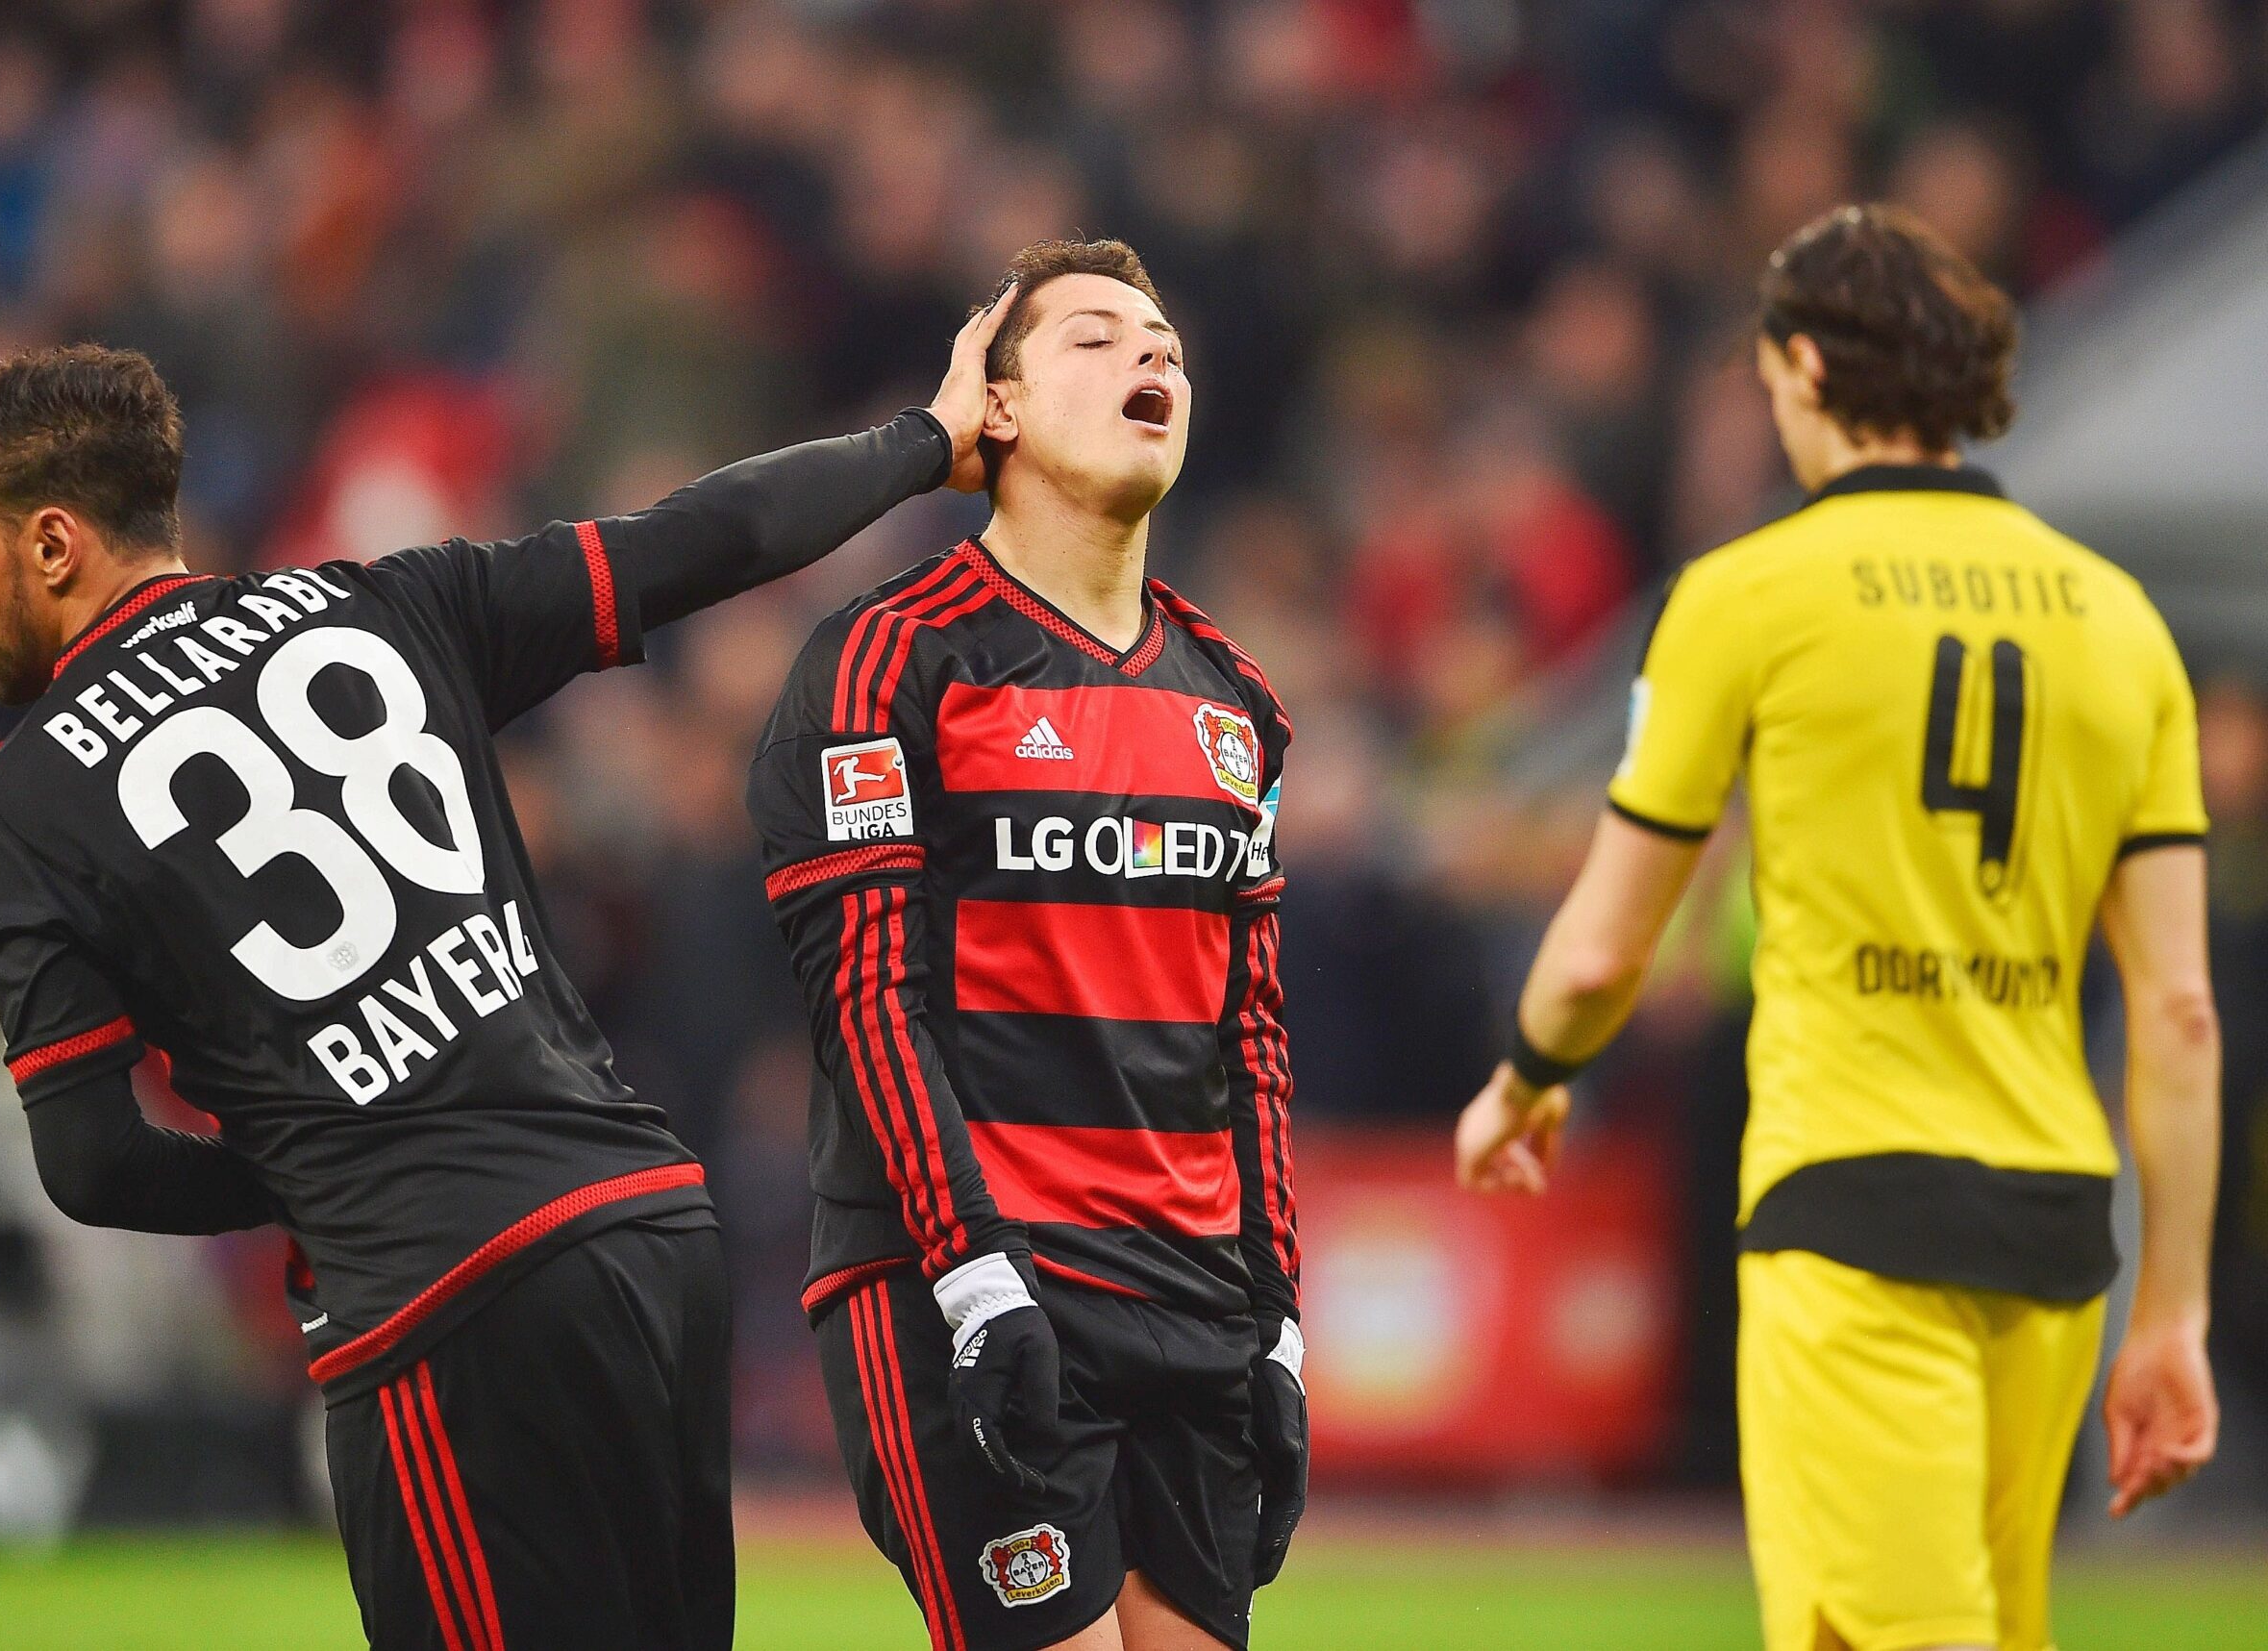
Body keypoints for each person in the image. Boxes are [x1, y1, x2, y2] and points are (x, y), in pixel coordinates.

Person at [0, 308, 1010, 1650]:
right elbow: (699, 539)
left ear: (52, 542)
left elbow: (90, 1162)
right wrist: (924, 443)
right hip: (649, 1228)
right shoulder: (387, 602)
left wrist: (321, 1158)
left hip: (450, 1299)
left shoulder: (21, 804)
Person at [1456, 203, 2221, 1651]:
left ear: (1805, 366)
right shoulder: (2123, 624)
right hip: (2057, 1233)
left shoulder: (1744, 597)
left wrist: (1526, 1076)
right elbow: (2178, 1010)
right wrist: (2170, 1314)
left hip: (1854, 1211)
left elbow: (1610, 943)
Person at [746, 239, 1306, 1651]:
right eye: (1098, 337)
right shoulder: (888, 660)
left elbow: (1249, 1032)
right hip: (969, 1275)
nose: (1153, 358)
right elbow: (867, 1003)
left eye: (1166, 341)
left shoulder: (1239, 705)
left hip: (1188, 1289)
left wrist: (1280, 1317)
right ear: (994, 410)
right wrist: (976, 1277)